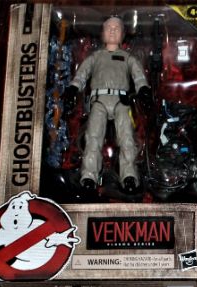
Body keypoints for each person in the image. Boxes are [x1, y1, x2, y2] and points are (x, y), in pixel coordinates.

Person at [64, 16, 152, 194]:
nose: (112, 31)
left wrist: (143, 90)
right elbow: (82, 74)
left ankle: (129, 175)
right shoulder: (95, 57)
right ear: (102, 33)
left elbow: (138, 76)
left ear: (123, 34)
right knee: (93, 137)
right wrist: (73, 88)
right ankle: (89, 176)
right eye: (109, 27)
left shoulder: (127, 58)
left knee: (127, 138)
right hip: (99, 100)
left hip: (121, 101)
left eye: (116, 28)